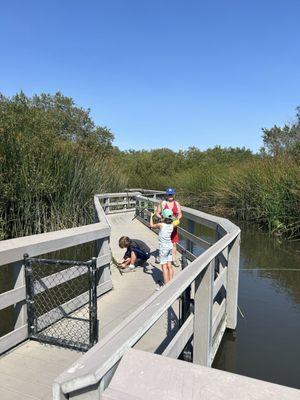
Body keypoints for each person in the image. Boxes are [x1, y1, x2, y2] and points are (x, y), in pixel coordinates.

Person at [150, 209, 179, 286]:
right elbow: (175, 219)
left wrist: (151, 216)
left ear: (163, 216)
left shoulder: (160, 225)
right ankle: (171, 283)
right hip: (170, 246)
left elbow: (151, 225)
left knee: (164, 267)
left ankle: (166, 286)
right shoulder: (172, 225)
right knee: (169, 265)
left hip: (163, 248)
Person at [155, 187, 182, 266]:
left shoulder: (176, 203)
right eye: (169, 194)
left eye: (171, 194)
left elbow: (180, 213)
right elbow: (157, 213)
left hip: (173, 226)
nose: (170, 196)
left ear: (173, 195)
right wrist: (162, 218)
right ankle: (161, 256)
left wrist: (177, 218)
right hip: (164, 225)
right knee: (163, 242)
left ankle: (174, 259)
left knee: (173, 243)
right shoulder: (163, 203)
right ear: (166, 195)